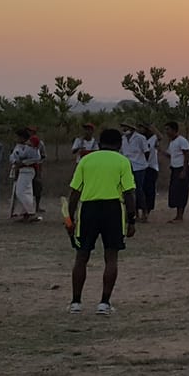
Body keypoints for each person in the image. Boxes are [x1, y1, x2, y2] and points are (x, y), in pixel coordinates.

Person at [65, 127, 137, 315]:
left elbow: (75, 192)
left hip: (88, 209)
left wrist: (70, 218)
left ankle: (76, 302)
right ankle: (104, 303)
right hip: (113, 209)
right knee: (111, 257)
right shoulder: (123, 161)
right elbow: (129, 192)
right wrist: (132, 219)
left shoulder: (86, 160)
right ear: (119, 145)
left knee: (81, 256)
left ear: (99, 143)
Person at [9, 127, 42, 222]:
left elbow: (36, 158)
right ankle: (26, 214)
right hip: (22, 170)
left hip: (28, 170)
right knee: (27, 192)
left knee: (20, 192)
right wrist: (16, 162)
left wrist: (23, 162)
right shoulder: (19, 146)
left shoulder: (31, 146)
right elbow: (12, 157)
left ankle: (31, 212)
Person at [164, 121, 189, 223]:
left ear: (174, 130)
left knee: (181, 192)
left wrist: (184, 170)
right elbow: (170, 155)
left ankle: (180, 216)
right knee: (174, 192)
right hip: (175, 169)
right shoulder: (172, 142)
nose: (167, 132)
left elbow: (186, 156)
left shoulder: (182, 141)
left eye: (168, 129)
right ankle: (177, 215)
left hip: (181, 168)